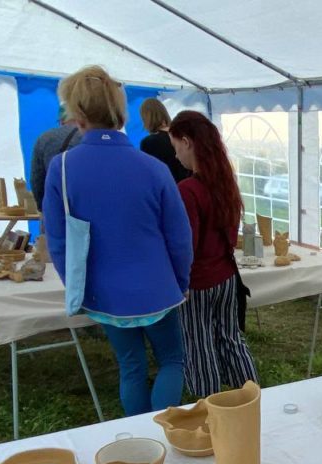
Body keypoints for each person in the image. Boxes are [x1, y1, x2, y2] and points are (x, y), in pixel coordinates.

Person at [43, 66, 193, 417]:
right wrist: (181, 281)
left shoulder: (61, 168)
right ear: (122, 113)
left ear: (77, 115)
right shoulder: (154, 167)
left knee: (131, 365)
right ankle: (164, 431)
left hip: (103, 292)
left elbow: (58, 241)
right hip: (158, 287)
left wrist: (76, 286)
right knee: (172, 360)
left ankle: (139, 435)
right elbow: (179, 237)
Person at [168, 110, 259, 398]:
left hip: (198, 282)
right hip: (227, 276)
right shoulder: (226, 181)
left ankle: (210, 407)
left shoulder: (188, 190)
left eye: (175, 147)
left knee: (199, 345)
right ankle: (251, 396)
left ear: (186, 142)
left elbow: (187, 246)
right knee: (231, 338)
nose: (175, 156)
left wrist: (180, 281)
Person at [30, 104, 80, 209]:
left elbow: (37, 181)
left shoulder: (45, 139)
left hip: (56, 207)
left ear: (61, 121)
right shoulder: (91, 138)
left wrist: (43, 209)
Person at [139, 98, 190, 183]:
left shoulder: (148, 143)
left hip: (168, 188)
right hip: (189, 186)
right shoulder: (182, 135)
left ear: (146, 119)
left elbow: (149, 176)